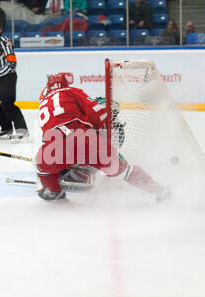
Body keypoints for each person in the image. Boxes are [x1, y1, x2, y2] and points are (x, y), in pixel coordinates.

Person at [35, 73, 170, 202]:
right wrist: (99, 132)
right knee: (124, 171)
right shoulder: (71, 91)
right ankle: (157, 190)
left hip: (54, 148)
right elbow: (96, 111)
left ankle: (54, 191)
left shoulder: (43, 104)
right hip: (86, 139)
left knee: (40, 165)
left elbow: (46, 135)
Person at [0, 19, 29, 140]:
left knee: (7, 103)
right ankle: (6, 127)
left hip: (8, 77)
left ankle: (22, 130)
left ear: (0, 29)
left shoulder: (5, 42)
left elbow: (12, 64)